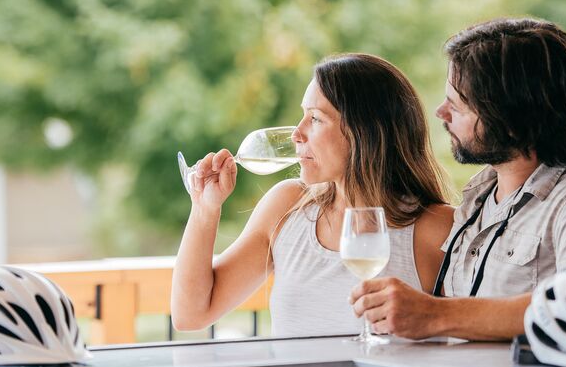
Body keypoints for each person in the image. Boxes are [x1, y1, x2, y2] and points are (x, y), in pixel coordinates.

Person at [350, 17, 566, 341]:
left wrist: (435, 315)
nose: (441, 112)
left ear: (512, 120)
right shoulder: (481, 192)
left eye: (458, 105)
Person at [171, 53, 454, 336]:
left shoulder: (436, 228)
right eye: (303, 115)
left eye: (316, 119)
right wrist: (205, 209)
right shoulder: (286, 207)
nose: (297, 133)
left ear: (363, 132)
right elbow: (190, 315)